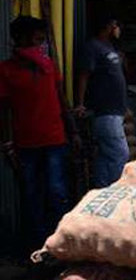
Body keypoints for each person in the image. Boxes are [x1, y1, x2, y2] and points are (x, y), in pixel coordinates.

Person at [0, 16, 79, 258]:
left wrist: (73, 130)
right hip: (26, 144)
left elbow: (61, 98)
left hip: (55, 139)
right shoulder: (6, 70)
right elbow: (3, 110)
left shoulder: (48, 65)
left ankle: (60, 244)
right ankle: (39, 249)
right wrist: (7, 143)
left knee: (57, 192)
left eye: (43, 40)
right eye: (37, 40)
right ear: (21, 39)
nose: (40, 45)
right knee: (32, 197)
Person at [75, 16, 128, 188]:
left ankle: (102, 189)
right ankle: (114, 191)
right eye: (115, 25)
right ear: (109, 26)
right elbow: (84, 75)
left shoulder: (109, 46)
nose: (117, 28)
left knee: (106, 156)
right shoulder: (92, 46)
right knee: (120, 154)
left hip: (115, 111)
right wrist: (80, 103)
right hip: (105, 111)